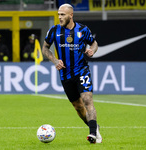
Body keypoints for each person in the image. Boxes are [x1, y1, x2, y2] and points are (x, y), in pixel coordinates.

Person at [42, 3, 102, 144]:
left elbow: (94, 43)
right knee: (78, 106)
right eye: (58, 14)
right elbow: (45, 48)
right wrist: (55, 60)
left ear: (71, 15)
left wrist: (93, 50)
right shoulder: (54, 31)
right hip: (65, 74)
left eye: (62, 14)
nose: (59, 17)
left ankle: (92, 134)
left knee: (87, 100)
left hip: (82, 70)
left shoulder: (83, 29)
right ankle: (94, 127)